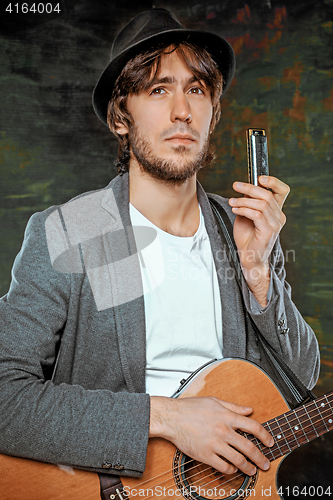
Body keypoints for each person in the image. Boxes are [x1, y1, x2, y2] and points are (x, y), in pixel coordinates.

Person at [0, 7, 319, 484]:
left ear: (213, 113)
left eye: (196, 89)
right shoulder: (80, 229)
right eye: (158, 89)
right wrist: (168, 417)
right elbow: (5, 395)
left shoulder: (240, 229)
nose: (181, 111)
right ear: (120, 116)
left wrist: (257, 272)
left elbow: (303, 379)